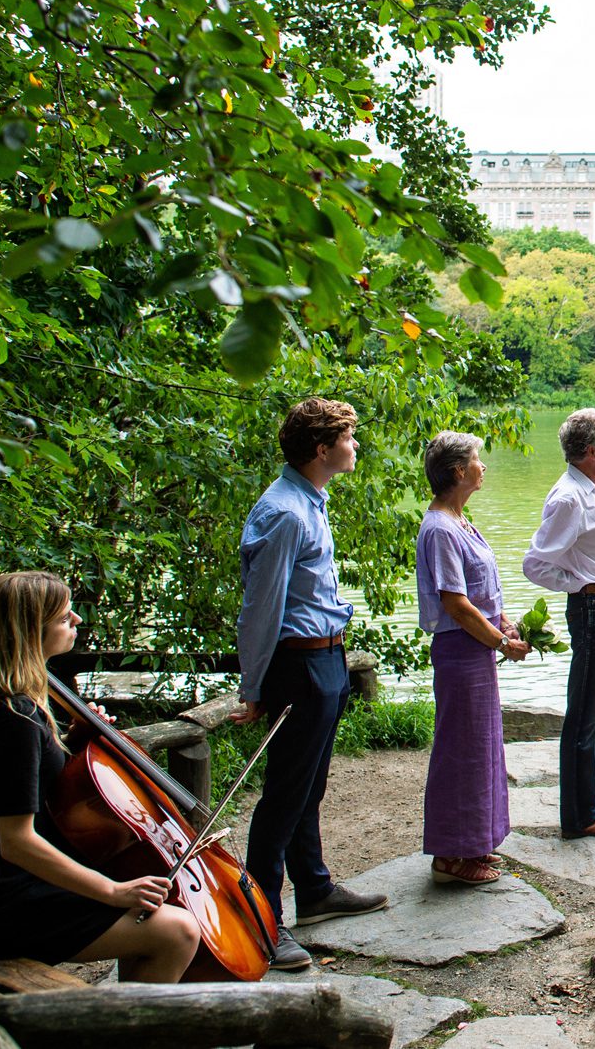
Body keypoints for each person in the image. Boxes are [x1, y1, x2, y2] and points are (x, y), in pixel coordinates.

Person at [0, 571, 200, 981]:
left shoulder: (7, 704)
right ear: (29, 632)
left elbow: (29, 776)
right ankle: (134, 1029)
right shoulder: (12, 718)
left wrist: (73, 741)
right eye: (65, 617)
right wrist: (112, 890)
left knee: (158, 918)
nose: (77, 621)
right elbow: (16, 842)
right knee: (178, 932)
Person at [234, 397, 388, 971]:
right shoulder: (285, 513)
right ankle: (260, 922)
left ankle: (315, 890)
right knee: (282, 796)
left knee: (309, 789)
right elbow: (261, 607)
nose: (355, 447)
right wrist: (253, 688)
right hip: (296, 666)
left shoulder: (309, 501)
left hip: (327, 659)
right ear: (322, 450)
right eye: (348, 439)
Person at [417, 432, 530, 884]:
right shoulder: (440, 528)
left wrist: (504, 623)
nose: (484, 467)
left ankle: (475, 844)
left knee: (482, 748)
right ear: (459, 471)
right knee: (460, 750)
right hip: (460, 650)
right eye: (478, 460)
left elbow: (483, 593)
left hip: (476, 648)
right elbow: (456, 603)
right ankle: (450, 856)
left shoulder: (462, 520)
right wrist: (499, 643)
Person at [521, 409, 595, 839]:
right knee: (584, 713)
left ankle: (587, 798)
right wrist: (581, 585)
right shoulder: (570, 497)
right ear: (591, 450)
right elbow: (535, 564)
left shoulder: (590, 489)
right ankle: (579, 815)